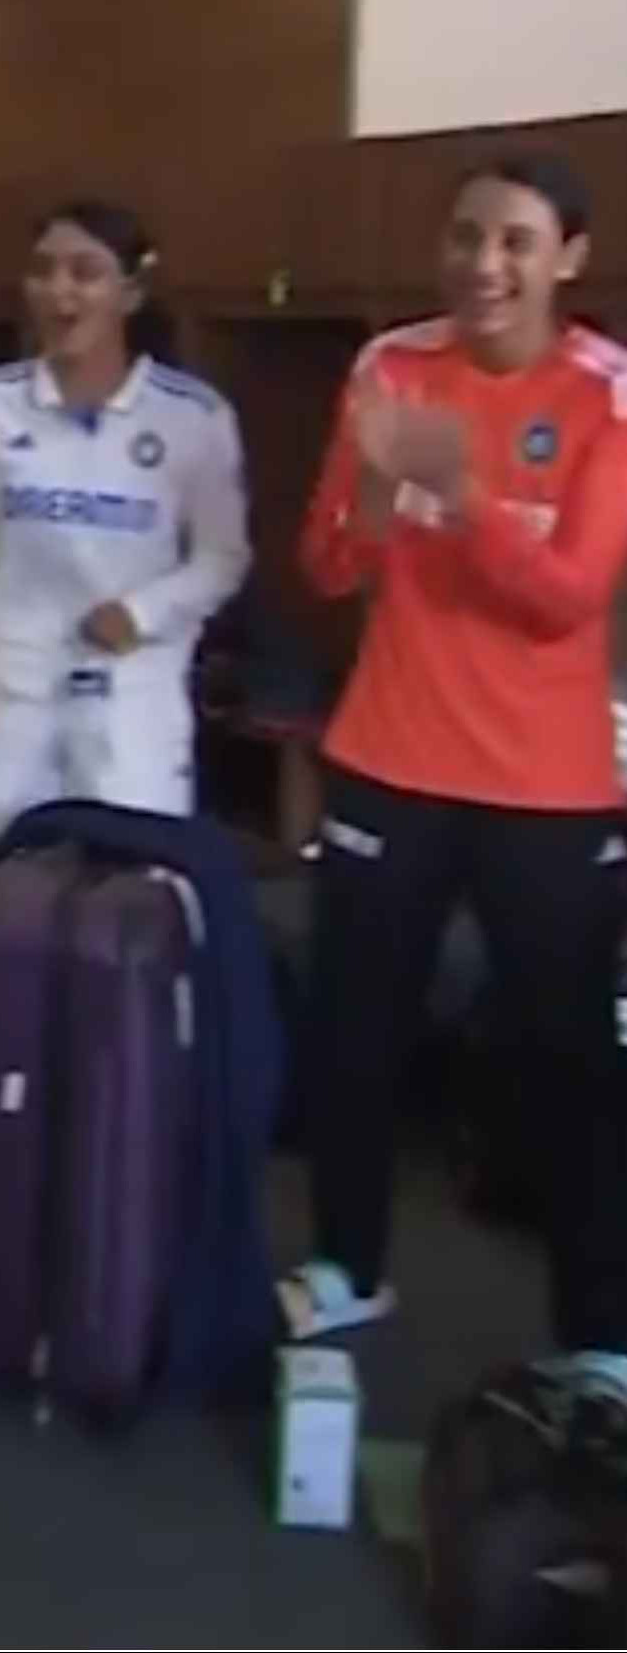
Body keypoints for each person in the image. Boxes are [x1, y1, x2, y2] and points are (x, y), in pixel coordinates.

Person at [286, 153, 627, 1355]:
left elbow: (568, 596)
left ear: (565, 258)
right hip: (389, 760)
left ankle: (596, 1339)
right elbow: (327, 566)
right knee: (350, 1040)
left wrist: (461, 493)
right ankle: (345, 1268)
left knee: (566, 1066)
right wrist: (377, 501)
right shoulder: (389, 367)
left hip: (546, 788)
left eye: (516, 242)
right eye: (465, 236)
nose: (483, 265)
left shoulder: (603, 392)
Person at [0, 201, 252, 992]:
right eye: (44, 271)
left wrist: (144, 611)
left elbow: (223, 556)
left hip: (132, 695)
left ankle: (126, 1107)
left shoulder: (194, 417)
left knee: (135, 915)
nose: (60, 291)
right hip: (8, 687)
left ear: (129, 293)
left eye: (85, 273)